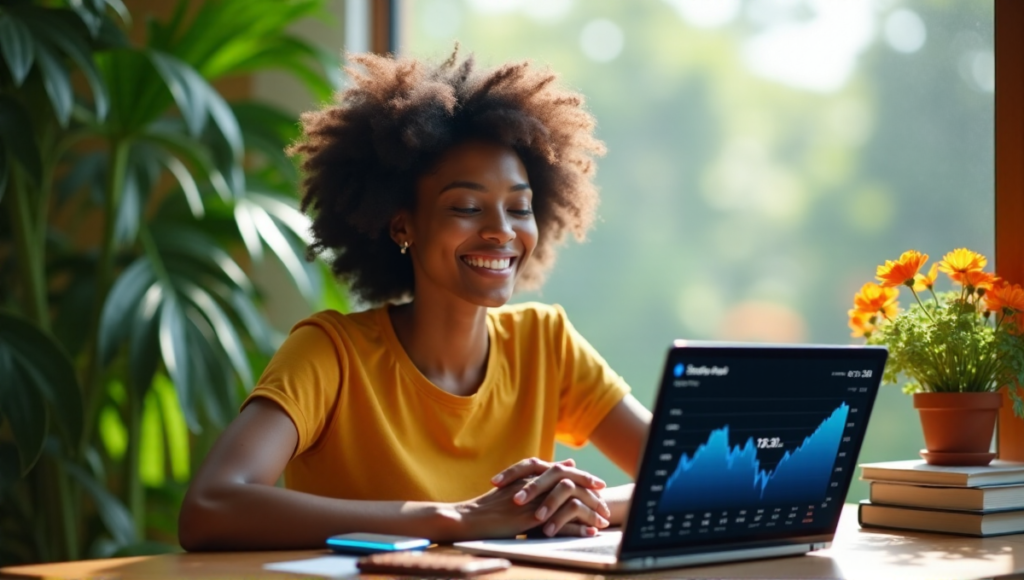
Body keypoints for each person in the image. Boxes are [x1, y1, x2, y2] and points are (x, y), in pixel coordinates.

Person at [178, 48, 652, 551]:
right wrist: (455, 518)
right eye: (468, 207)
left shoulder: (546, 344)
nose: (501, 231)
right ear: (403, 224)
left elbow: (699, 483)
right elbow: (211, 508)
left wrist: (557, 503)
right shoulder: (331, 354)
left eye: (519, 208)